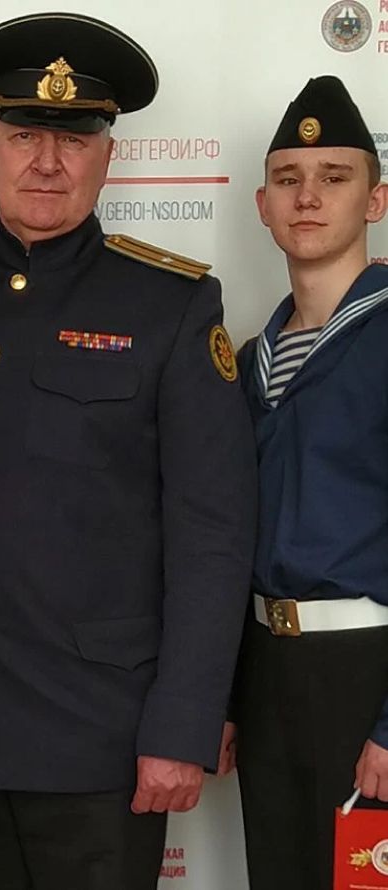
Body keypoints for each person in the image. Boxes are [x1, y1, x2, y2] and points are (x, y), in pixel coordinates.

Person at [0, 12, 257, 889]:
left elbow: (212, 536)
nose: (46, 162)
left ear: (107, 156)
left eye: (72, 140)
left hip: (101, 737)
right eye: (22, 135)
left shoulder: (169, 305)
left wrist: (181, 726)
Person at [231, 75, 388, 890]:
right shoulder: (243, 359)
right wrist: (226, 698)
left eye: (334, 177)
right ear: (262, 206)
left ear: (375, 200)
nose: (307, 196)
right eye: (287, 179)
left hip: (366, 669)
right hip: (268, 672)